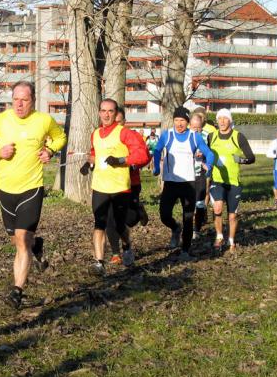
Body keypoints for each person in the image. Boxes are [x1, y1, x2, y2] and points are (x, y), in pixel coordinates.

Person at [0, 81, 66, 309]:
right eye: (15, 99)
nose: (19, 104)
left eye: (24, 99)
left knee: (22, 239)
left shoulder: (43, 120)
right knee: (17, 240)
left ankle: (17, 291)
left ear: (32, 100)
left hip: (31, 188)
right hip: (6, 190)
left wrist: (50, 151)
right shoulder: (1, 119)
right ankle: (37, 245)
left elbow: (60, 138)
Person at [84, 99, 149, 274]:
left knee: (120, 225)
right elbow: (94, 152)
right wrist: (90, 162)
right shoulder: (95, 133)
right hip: (99, 186)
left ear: (115, 113)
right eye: (103, 111)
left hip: (120, 187)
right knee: (100, 224)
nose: (106, 114)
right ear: (99, 112)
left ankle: (127, 246)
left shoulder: (125, 133)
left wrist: (122, 160)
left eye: (110, 111)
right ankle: (99, 262)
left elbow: (143, 155)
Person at [152, 106, 214, 260]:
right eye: (177, 120)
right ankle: (175, 227)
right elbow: (158, 150)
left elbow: (209, 153)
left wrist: (210, 165)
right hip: (171, 183)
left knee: (188, 218)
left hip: (188, 184)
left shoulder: (194, 136)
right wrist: (156, 167)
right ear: (173, 121)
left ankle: (185, 251)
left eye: (183, 121)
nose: (179, 124)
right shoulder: (167, 135)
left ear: (187, 122)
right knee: (164, 215)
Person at [105, 107, 149, 264]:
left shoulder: (134, 136)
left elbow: (145, 157)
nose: (116, 124)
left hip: (131, 184)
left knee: (128, 219)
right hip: (109, 184)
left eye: (119, 121)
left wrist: (131, 163)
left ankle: (138, 210)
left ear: (124, 122)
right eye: (113, 121)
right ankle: (117, 253)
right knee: (110, 220)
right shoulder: (104, 136)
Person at [208, 109, 255, 254]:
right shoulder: (211, 136)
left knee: (232, 215)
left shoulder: (238, 137)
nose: (222, 121)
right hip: (217, 180)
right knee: (217, 208)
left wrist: (240, 160)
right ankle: (219, 236)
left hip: (234, 182)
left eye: (225, 118)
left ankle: (231, 240)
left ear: (230, 121)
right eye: (219, 118)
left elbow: (251, 157)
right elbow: (204, 153)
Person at [189, 106, 217, 239]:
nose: (196, 130)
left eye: (198, 128)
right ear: (190, 125)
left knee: (200, 200)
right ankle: (189, 225)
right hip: (186, 173)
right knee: (189, 202)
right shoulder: (184, 136)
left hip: (201, 172)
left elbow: (211, 152)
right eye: (194, 127)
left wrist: (208, 163)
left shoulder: (206, 135)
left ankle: (197, 229)